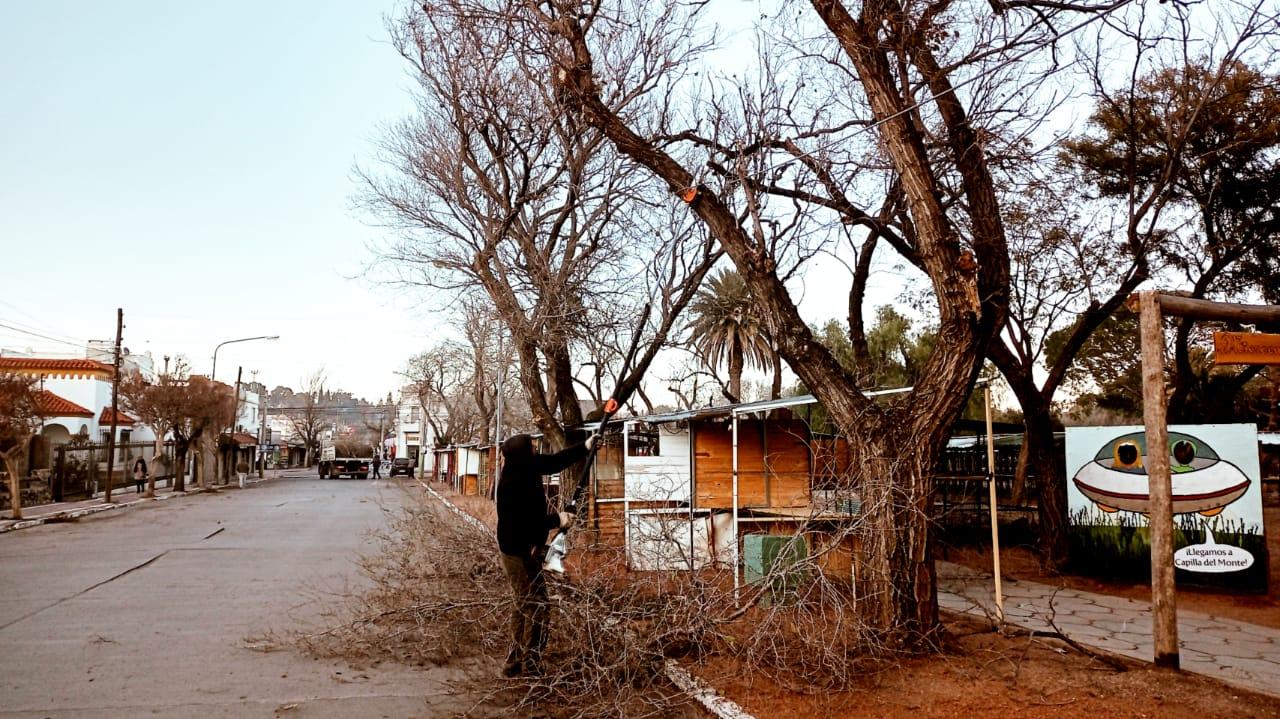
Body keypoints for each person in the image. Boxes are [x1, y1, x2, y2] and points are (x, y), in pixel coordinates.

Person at [496, 432, 596, 677]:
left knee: (540, 604)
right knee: (526, 602)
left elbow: (555, 461)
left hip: (530, 548)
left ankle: (531, 661)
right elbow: (525, 523)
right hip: (515, 552)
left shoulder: (527, 464)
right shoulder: (510, 484)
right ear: (521, 453)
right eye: (531, 447)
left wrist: (584, 446)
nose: (534, 450)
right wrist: (557, 519)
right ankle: (515, 662)